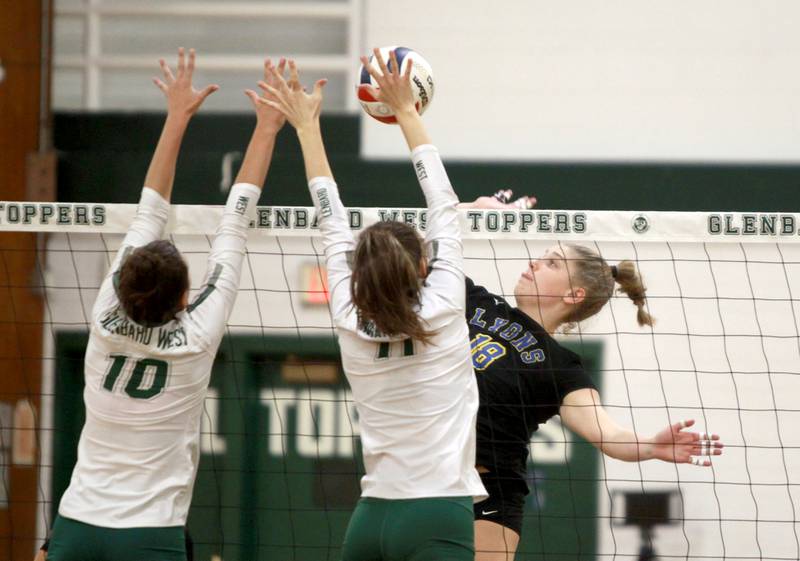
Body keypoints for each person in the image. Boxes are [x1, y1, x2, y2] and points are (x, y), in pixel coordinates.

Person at [47, 48, 288, 561]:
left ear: (127, 283)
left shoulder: (106, 314)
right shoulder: (196, 336)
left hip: (77, 527)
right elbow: (235, 221)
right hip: (149, 534)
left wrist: (176, 115)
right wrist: (267, 126)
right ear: (184, 297)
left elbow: (149, 210)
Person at [260, 49, 487, 561]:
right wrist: (407, 112)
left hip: (371, 517)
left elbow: (330, 217)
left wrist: (306, 127)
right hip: (437, 513)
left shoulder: (346, 312)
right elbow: (443, 205)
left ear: (358, 274)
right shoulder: (447, 303)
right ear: (422, 266)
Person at [462, 236, 725, 560]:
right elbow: (412, 254)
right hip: (421, 472)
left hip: (490, 493)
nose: (534, 262)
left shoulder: (561, 367)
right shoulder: (477, 303)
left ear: (574, 294)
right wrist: (466, 212)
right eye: (542, 258)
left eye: (552, 263)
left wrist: (651, 446)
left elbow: (607, 434)